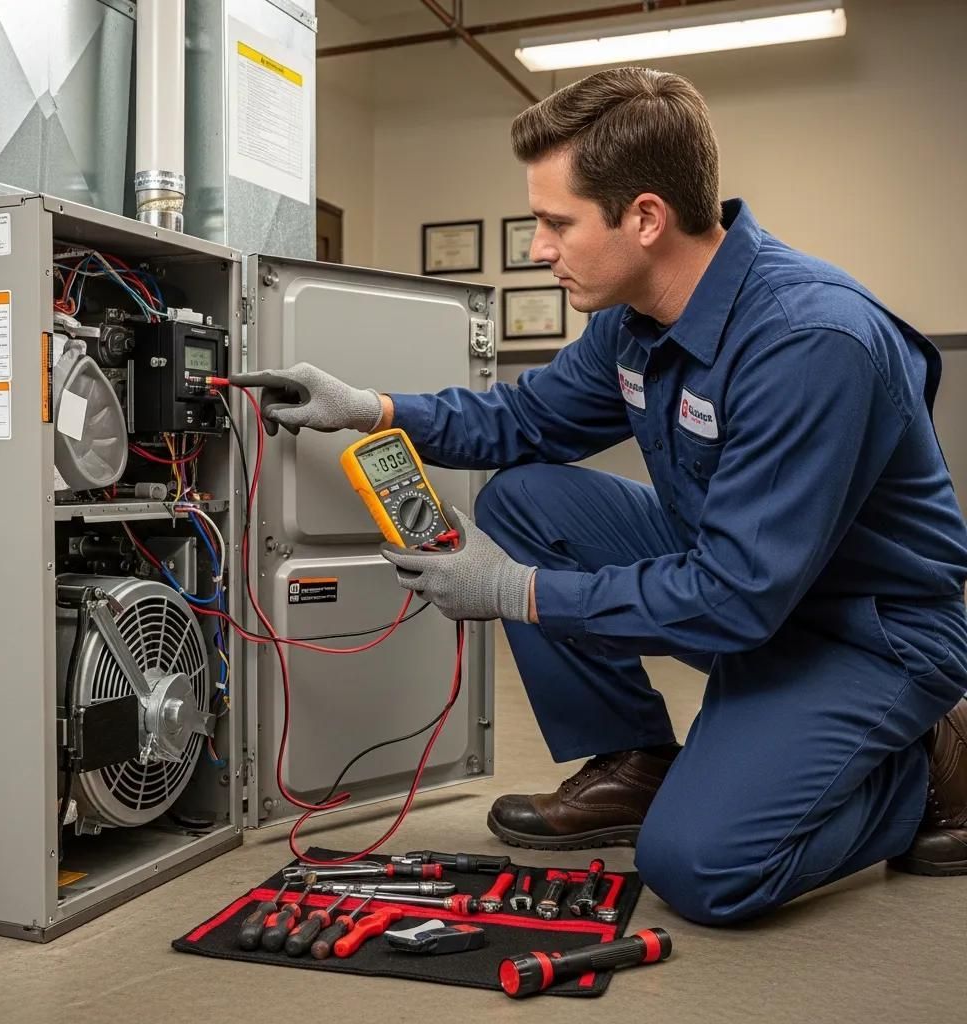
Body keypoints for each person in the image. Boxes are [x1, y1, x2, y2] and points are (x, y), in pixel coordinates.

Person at [233, 67, 967, 925]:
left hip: (867, 632)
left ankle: (925, 761)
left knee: (700, 868)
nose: (539, 248)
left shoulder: (810, 342)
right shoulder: (633, 319)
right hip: (755, 589)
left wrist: (516, 592)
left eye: (555, 223)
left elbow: (734, 600)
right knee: (525, 500)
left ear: (645, 217)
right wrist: (369, 408)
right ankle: (635, 764)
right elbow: (523, 419)